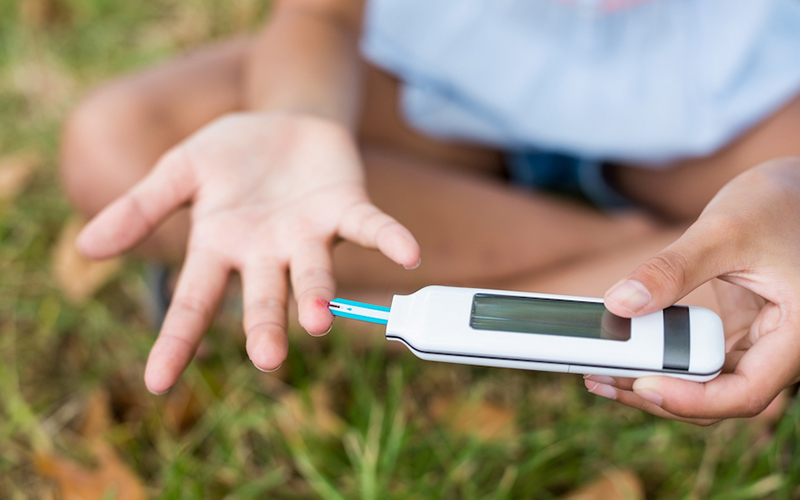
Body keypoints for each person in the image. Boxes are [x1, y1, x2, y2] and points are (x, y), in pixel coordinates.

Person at [60, 0, 800, 425]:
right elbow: (322, 12)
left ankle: (333, 314)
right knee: (116, 144)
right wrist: (296, 120)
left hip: (737, 96)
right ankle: (635, 255)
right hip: (437, 80)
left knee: (770, 274)